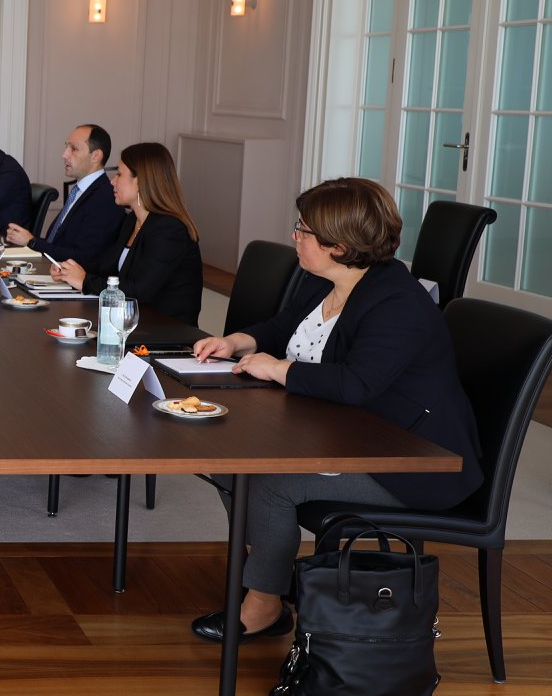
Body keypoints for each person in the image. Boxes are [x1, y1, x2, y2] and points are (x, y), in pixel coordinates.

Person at [188, 177, 483, 642]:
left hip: (410, 458)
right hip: (344, 433)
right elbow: (283, 326)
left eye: (304, 230)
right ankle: (266, 570)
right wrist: (237, 341)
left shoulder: (398, 303)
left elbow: (356, 383)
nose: (295, 236)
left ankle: (264, 606)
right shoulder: (325, 280)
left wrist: (279, 369)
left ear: (340, 246)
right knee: (228, 464)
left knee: (269, 484)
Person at [52, 141, 203, 326]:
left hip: (166, 331)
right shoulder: (132, 220)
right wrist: (69, 269)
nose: (112, 181)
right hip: (132, 323)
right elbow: (107, 267)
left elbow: (140, 291)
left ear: (140, 182)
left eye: (119, 174)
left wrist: (84, 281)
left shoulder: (169, 229)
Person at [5, 123, 122, 264]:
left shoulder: (105, 198)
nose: (64, 155)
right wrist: (27, 239)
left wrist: (32, 242)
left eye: (74, 149)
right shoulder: (80, 191)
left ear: (96, 156)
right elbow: (58, 244)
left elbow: (84, 257)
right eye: (66, 147)